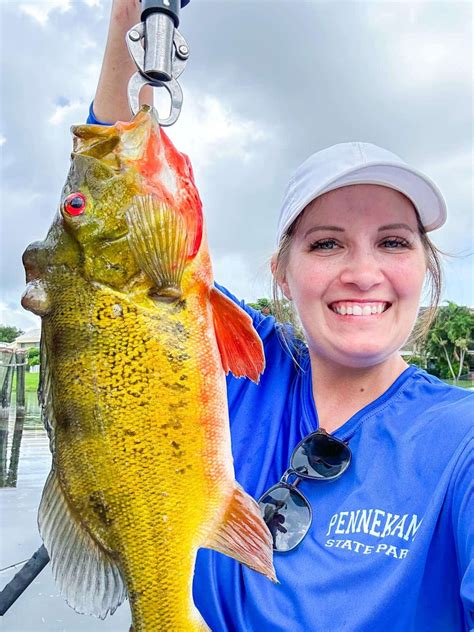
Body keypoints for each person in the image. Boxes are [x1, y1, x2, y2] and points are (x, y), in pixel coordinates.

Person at [88, 2, 474, 630]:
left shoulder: (461, 440)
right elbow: (109, 202)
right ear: (281, 273)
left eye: (394, 241)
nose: (362, 271)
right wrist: (127, 18)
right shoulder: (231, 358)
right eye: (326, 243)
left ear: (427, 271)